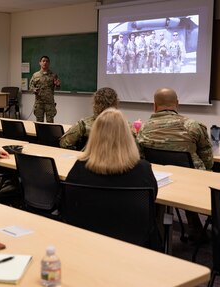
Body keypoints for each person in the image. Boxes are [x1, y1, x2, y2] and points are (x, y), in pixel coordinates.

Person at [65, 108, 160, 247]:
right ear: (127, 136)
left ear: (95, 135)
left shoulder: (79, 168)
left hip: (87, 241)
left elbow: (70, 201)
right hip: (134, 243)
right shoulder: (143, 169)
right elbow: (151, 200)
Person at [137, 88, 212, 241]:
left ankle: (157, 231)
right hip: (192, 183)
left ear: (154, 105)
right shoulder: (193, 126)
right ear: (177, 104)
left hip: (158, 182)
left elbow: (140, 158)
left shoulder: (142, 129)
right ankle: (196, 229)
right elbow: (207, 159)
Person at [29, 55, 61, 123]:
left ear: (49, 63)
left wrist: (58, 85)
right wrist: (34, 90)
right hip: (39, 103)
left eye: (47, 61)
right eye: (43, 61)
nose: (45, 62)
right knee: (39, 123)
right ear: (40, 62)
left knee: (50, 123)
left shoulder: (53, 75)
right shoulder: (35, 75)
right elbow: (31, 87)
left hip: (49, 103)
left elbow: (57, 88)